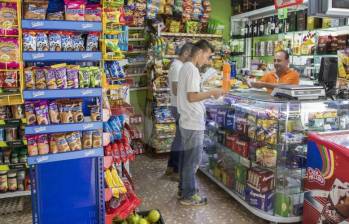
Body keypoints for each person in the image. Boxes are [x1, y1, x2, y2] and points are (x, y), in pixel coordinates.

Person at [177, 39, 224, 206]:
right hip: (192, 121)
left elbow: (191, 93)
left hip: (187, 120)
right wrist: (211, 92)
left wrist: (204, 91)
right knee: (193, 161)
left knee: (188, 158)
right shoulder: (192, 70)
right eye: (208, 56)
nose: (208, 60)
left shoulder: (186, 68)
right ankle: (188, 196)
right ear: (200, 53)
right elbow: (192, 96)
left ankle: (184, 189)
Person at [165, 43, 193, 180]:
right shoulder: (177, 66)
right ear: (186, 53)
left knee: (178, 138)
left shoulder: (177, 65)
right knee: (181, 140)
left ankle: (171, 166)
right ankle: (176, 169)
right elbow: (176, 89)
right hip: (178, 106)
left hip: (178, 106)